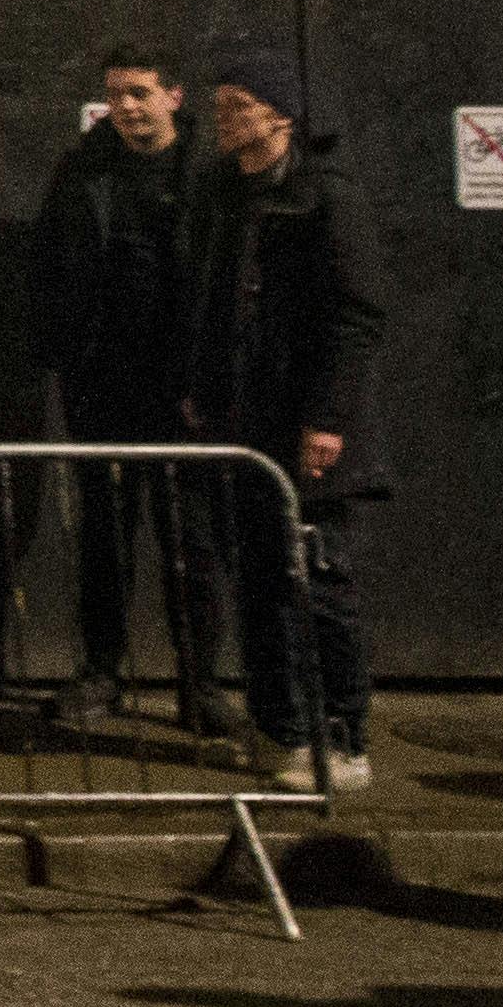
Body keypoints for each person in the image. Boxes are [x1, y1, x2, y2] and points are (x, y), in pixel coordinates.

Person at [184, 50, 385, 795]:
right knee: (258, 580)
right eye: (220, 105)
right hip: (239, 420)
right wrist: (198, 389)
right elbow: (207, 303)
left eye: (238, 104)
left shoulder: (324, 195)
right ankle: (281, 731)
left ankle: (343, 738)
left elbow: (356, 316)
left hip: (307, 425)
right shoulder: (220, 194)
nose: (224, 118)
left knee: (318, 580)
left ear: (280, 114)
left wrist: (329, 417)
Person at [33, 49, 223, 736]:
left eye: (140, 94)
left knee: (190, 542)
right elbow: (51, 265)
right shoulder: (85, 170)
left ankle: (201, 686)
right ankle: (101, 672)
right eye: (116, 95)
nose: (127, 108)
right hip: (104, 384)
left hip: (183, 391)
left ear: (175, 94)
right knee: (105, 540)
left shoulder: (208, 174)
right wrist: (67, 358)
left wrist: (209, 379)